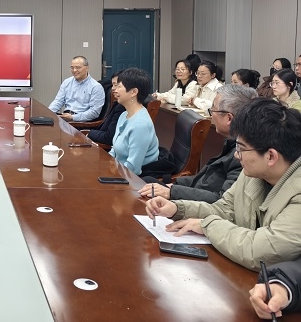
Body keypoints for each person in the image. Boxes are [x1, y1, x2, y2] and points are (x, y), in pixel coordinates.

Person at [145, 98, 301, 271]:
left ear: (271, 156)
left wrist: (208, 226)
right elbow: (224, 209)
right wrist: (177, 209)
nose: (236, 155)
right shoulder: (254, 172)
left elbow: (262, 251)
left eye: (241, 149)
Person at [139, 84, 256, 202]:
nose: (211, 114)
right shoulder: (231, 142)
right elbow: (203, 179)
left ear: (229, 118)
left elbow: (221, 201)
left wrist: (172, 192)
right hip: (193, 196)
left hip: (200, 206)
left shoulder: (243, 155)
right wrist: (173, 185)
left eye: (213, 109)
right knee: (148, 183)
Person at [107, 68, 159, 175]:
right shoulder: (124, 115)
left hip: (133, 177)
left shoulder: (140, 124)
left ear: (134, 92)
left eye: (119, 86)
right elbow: (114, 150)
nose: (114, 90)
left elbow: (133, 169)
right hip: (119, 169)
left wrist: (110, 172)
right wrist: (106, 164)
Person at [48, 56, 105, 122]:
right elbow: (58, 101)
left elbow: (94, 112)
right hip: (65, 118)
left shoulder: (96, 87)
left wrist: (73, 117)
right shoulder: (67, 82)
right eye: (72, 68)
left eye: (78, 67)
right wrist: (48, 113)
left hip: (81, 122)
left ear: (87, 68)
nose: (74, 70)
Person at [82, 71, 125, 146]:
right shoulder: (118, 104)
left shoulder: (122, 108)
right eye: (113, 85)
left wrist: (88, 133)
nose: (113, 89)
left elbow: (109, 138)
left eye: (117, 85)